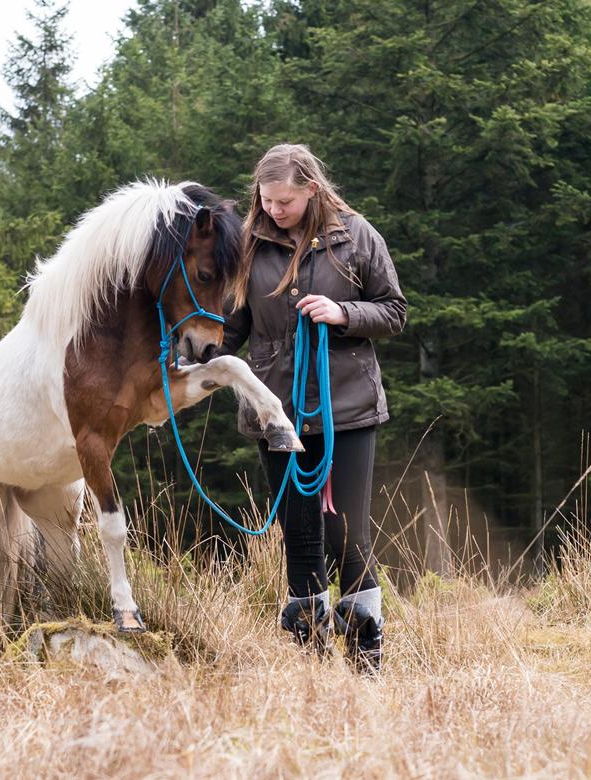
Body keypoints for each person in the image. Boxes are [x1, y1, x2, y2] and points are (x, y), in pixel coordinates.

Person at [221, 143, 407, 672]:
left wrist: (342, 311)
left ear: (312, 190)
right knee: (299, 535)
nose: (275, 210)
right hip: (275, 414)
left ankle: (366, 659)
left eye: (286, 201)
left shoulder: (356, 236)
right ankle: (312, 667)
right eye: (267, 199)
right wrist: (199, 356)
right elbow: (234, 327)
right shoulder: (247, 247)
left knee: (345, 532)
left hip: (346, 407)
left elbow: (394, 312)